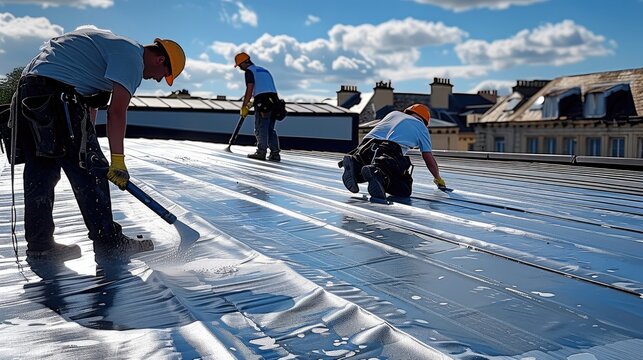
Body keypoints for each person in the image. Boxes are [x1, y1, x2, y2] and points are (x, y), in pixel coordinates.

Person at [7, 28, 186, 260]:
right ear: (160, 60)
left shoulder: (106, 48)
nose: (159, 79)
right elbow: (117, 113)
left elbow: (89, 107)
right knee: (92, 170)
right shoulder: (132, 57)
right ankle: (109, 242)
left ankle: (41, 245)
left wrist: (84, 142)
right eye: (164, 74)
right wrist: (117, 161)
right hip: (57, 96)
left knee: (41, 172)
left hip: (29, 95)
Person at [340, 104, 447, 199]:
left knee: (362, 171)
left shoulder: (393, 114)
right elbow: (428, 159)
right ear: (424, 120)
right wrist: (438, 179)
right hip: (388, 152)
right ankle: (379, 173)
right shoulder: (421, 127)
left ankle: (355, 164)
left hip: (365, 147)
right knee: (403, 189)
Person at [234, 52, 281, 162]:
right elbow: (264, 89)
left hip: (263, 102)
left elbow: (249, 89)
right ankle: (275, 154)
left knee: (261, 127)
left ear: (243, 63)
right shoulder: (264, 70)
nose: (240, 68)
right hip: (274, 101)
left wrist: (244, 106)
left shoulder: (249, 71)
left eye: (240, 66)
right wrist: (252, 103)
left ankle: (261, 152)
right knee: (270, 129)